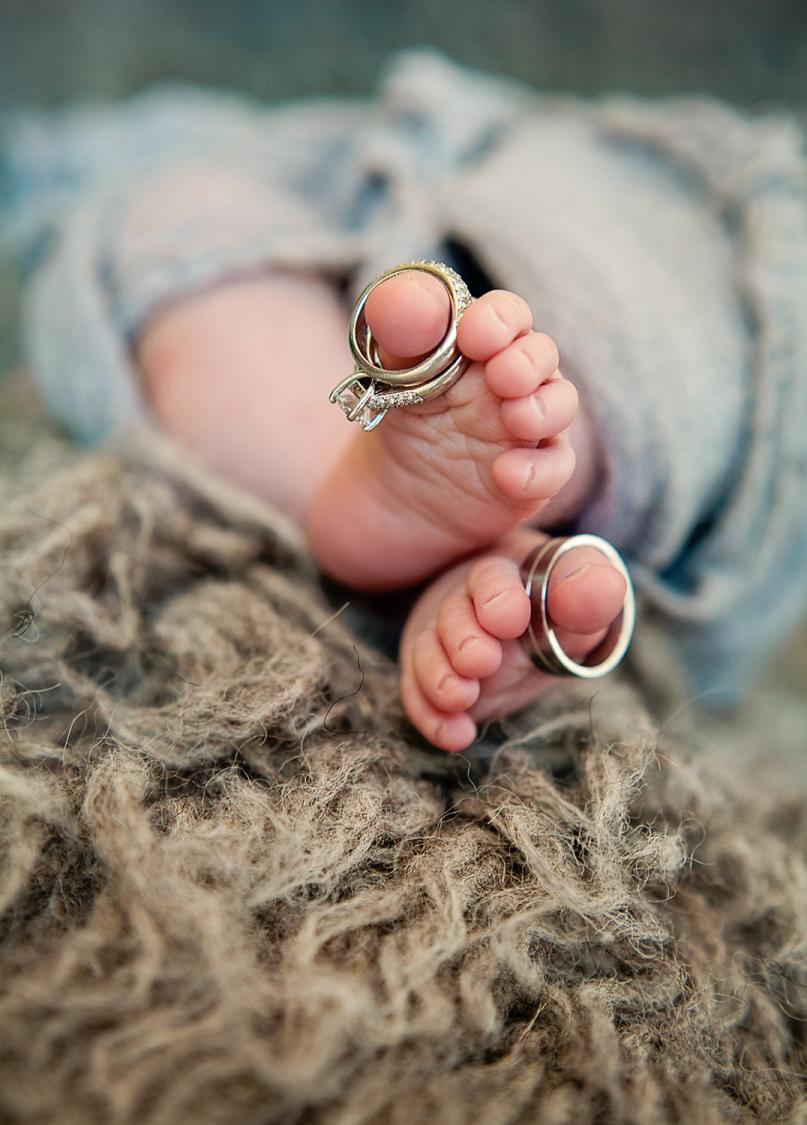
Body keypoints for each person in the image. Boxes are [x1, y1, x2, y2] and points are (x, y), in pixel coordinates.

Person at [2, 49, 805, 751]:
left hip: (649, 201)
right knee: (189, 253)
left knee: (625, 288)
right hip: (376, 233)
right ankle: (400, 509)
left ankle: (527, 460)